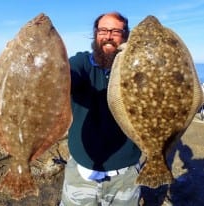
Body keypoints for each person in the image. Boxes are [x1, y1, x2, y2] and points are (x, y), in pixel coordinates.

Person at [60, 12, 141, 206]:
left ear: (126, 35)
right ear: (96, 34)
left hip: (126, 175)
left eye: (116, 31)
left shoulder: (139, 69)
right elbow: (63, 77)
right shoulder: (81, 63)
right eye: (103, 30)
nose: (108, 36)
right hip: (81, 174)